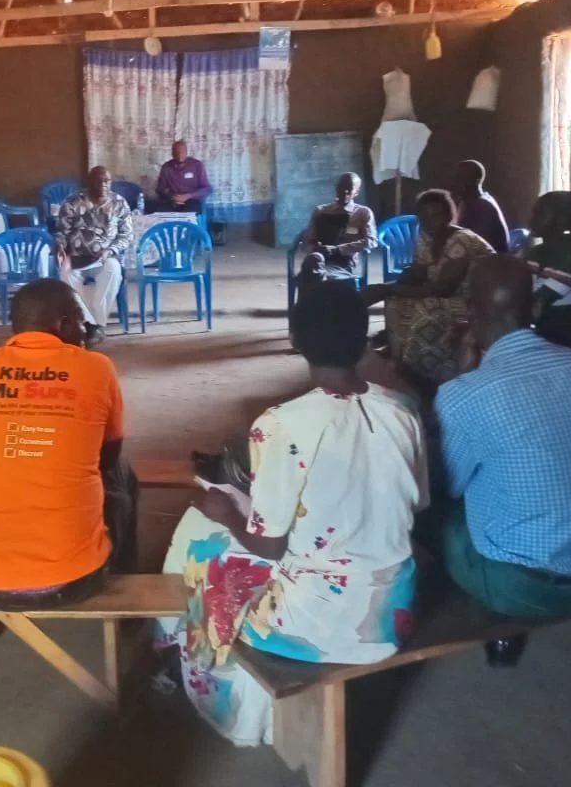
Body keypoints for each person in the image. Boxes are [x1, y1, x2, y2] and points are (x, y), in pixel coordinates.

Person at [157, 282, 427, 747]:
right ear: (365, 339)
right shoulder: (402, 410)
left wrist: (227, 513)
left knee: (201, 541)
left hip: (314, 623)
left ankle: (230, 707)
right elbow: (415, 503)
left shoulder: (280, 424)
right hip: (392, 616)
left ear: (296, 341)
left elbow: (270, 545)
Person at [434, 256, 571, 621]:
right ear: (537, 307)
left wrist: (457, 376)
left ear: (470, 309)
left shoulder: (465, 394)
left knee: (430, 512)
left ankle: (489, 623)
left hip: (521, 585)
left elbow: (450, 486)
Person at [0, 278, 137, 639]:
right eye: (80, 321)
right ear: (63, 324)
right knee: (122, 477)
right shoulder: (96, 368)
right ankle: (128, 608)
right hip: (77, 581)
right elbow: (108, 457)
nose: (85, 330)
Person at [364, 189, 494, 385]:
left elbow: (444, 288)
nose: (431, 223)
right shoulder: (427, 238)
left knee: (427, 309)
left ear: (449, 215)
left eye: (437, 216)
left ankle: (424, 372)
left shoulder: (462, 240)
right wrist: (383, 289)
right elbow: (417, 271)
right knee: (395, 302)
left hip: (476, 302)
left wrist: (385, 289)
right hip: (450, 296)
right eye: (424, 218)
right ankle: (400, 360)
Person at [55, 166, 133, 347]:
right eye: (99, 181)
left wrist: (110, 250)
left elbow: (126, 235)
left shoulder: (119, 203)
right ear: (89, 182)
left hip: (104, 257)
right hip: (77, 257)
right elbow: (61, 231)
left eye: (107, 181)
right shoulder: (73, 202)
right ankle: (91, 325)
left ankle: (94, 324)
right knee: (65, 273)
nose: (103, 185)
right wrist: (60, 246)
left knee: (113, 270)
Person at [523, 189, 571, 347]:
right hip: (543, 329)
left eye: (540, 215)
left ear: (562, 221)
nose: (531, 220)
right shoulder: (536, 252)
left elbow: (541, 301)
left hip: (563, 335)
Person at [299, 171, 377, 276]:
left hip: (345, 259)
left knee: (326, 276)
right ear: (336, 188)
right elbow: (308, 239)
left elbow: (371, 241)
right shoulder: (321, 211)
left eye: (349, 188)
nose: (345, 191)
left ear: (356, 192)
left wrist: (338, 249)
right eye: (341, 187)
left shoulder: (362, 213)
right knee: (309, 270)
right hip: (320, 256)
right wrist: (315, 249)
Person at [451, 160, 509, 254]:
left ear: (476, 181)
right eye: (456, 177)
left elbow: (474, 243)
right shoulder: (470, 202)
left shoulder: (482, 206)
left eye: (461, 177)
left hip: (490, 261)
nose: (455, 182)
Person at [152, 139, 212, 214]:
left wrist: (188, 196)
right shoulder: (166, 167)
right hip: (172, 201)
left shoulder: (197, 165)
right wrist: (172, 197)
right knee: (160, 211)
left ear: (186, 152)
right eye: (176, 152)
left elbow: (207, 188)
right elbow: (160, 189)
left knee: (190, 212)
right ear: (172, 153)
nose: (179, 154)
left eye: (182, 152)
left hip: (191, 200)